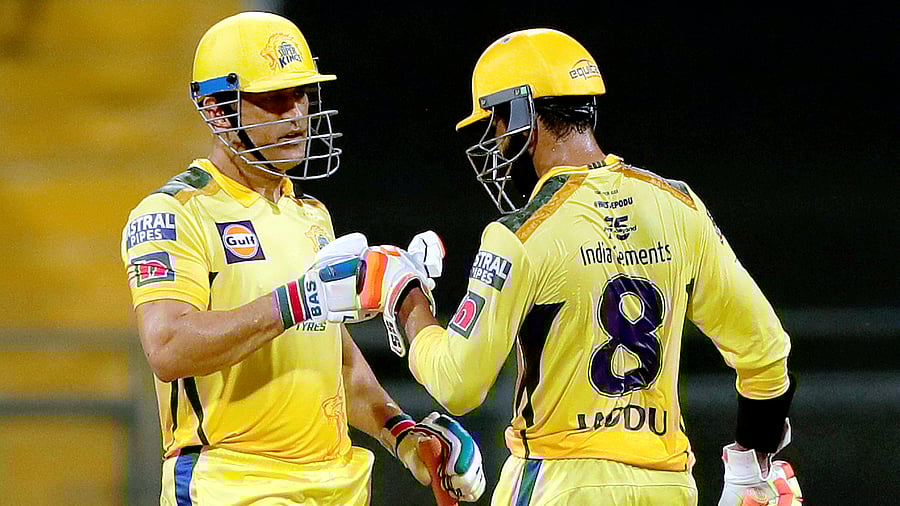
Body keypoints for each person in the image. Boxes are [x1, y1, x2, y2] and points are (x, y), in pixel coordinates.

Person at [387, 28, 802, 505]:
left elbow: (458, 384)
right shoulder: (679, 205)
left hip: (559, 481)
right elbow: (766, 351)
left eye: (498, 125)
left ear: (522, 114)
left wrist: (407, 301)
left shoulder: (519, 234)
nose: (497, 145)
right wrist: (750, 465)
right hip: (668, 486)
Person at [119, 11, 484, 505]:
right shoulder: (174, 212)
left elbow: (333, 357)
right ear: (218, 110)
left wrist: (402, 434)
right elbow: (167, 346)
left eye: (301, 94)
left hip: (336, 484)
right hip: (235, 485)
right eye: (273, 98)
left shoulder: (310, 214)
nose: (295, 114)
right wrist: (296, 301)